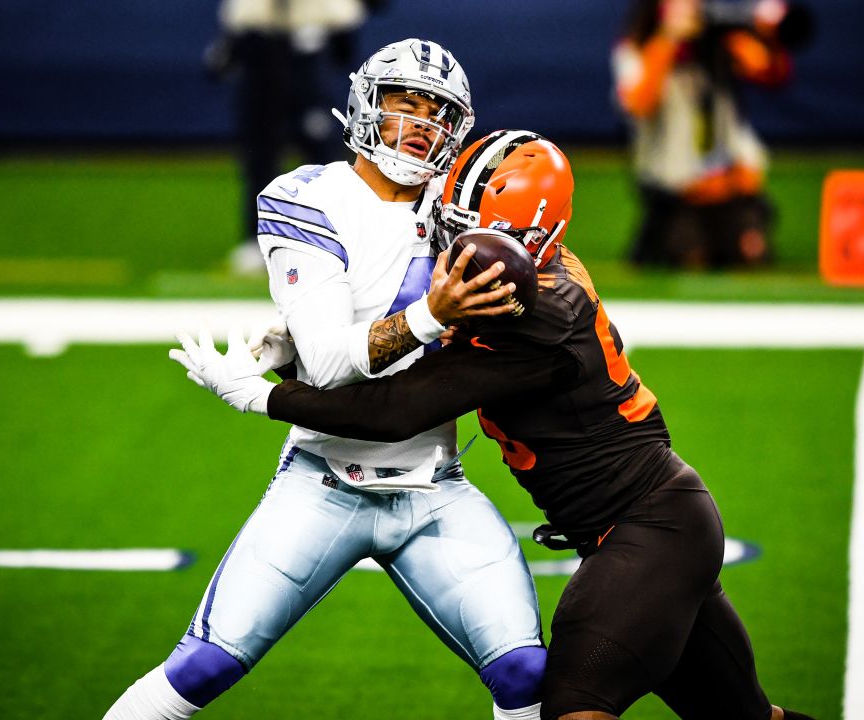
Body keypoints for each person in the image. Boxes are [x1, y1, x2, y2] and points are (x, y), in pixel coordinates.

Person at [182, 130, 816, 720]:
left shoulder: (536, 313)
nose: (453, 245)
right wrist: (298, 345)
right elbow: (414, 343)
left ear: (525, 237)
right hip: (655, 522)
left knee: (572, 705)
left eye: (471, 229)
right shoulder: (527, 276)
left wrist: (261, 397)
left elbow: (395, 409)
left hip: (647, 529)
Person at [105, 40, 550, 720]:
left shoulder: (459, 202)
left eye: (438, 113)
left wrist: (285, 351)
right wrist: (421, 317)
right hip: (324, 481)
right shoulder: (307, 197)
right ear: (366, 107)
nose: (423, 126)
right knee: (202, 667)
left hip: (435, 485)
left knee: (526, 673)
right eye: (407, 106)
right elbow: (335, 363)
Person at [613, 0, 792, 269]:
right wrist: (669, 38)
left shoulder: (722, 43)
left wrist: (766, 35)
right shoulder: (638, 48)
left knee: (751, 253)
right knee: (689, 256)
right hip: (674, 191)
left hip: (730, 186)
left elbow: (772, 73)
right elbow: (638, 103)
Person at [203, 0, 376, 274]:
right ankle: (257, 238)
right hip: (262, 65)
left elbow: (345, 44)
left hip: (309, 65)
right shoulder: (250, 13)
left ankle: (334, 236)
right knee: (260, 157)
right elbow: (235, 34)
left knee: (324, 160)